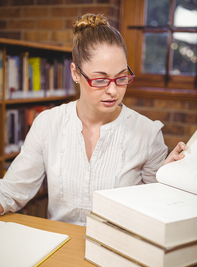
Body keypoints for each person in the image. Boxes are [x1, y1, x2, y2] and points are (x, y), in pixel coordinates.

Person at [0, 13, 185, 225]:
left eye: (122, 77)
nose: (113, 91)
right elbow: (11, 191)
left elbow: (156, 210)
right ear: (75, 73)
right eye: (100, 79)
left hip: (118, 248)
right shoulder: (48, 124)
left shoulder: (147, 133)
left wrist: (169, 181)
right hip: (62, 246)